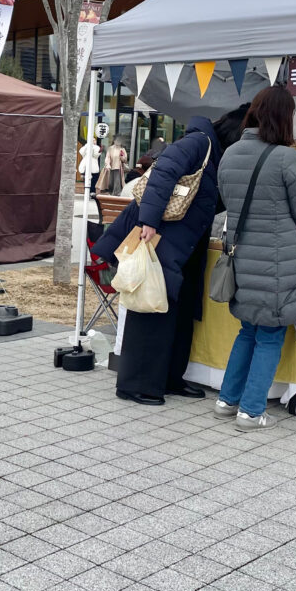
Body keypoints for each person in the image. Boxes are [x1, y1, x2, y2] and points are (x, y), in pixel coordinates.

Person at [94, 112, 238, 406]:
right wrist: (149, 220)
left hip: (184, 241)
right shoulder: (199, 142)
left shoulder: (213, 152)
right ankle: (134, 385)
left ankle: (170, 378)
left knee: (179, 310)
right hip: (158, 235)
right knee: (150, 307)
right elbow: (163, 172)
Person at [214, 87, 296, 431]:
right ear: (284, 118)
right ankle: (252, 411)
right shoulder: (287, 158)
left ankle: (227, 401)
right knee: (270, 335)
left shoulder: (230, 154)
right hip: (277, 259)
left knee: (248, 330)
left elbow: (229, 203)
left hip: (241, 254)